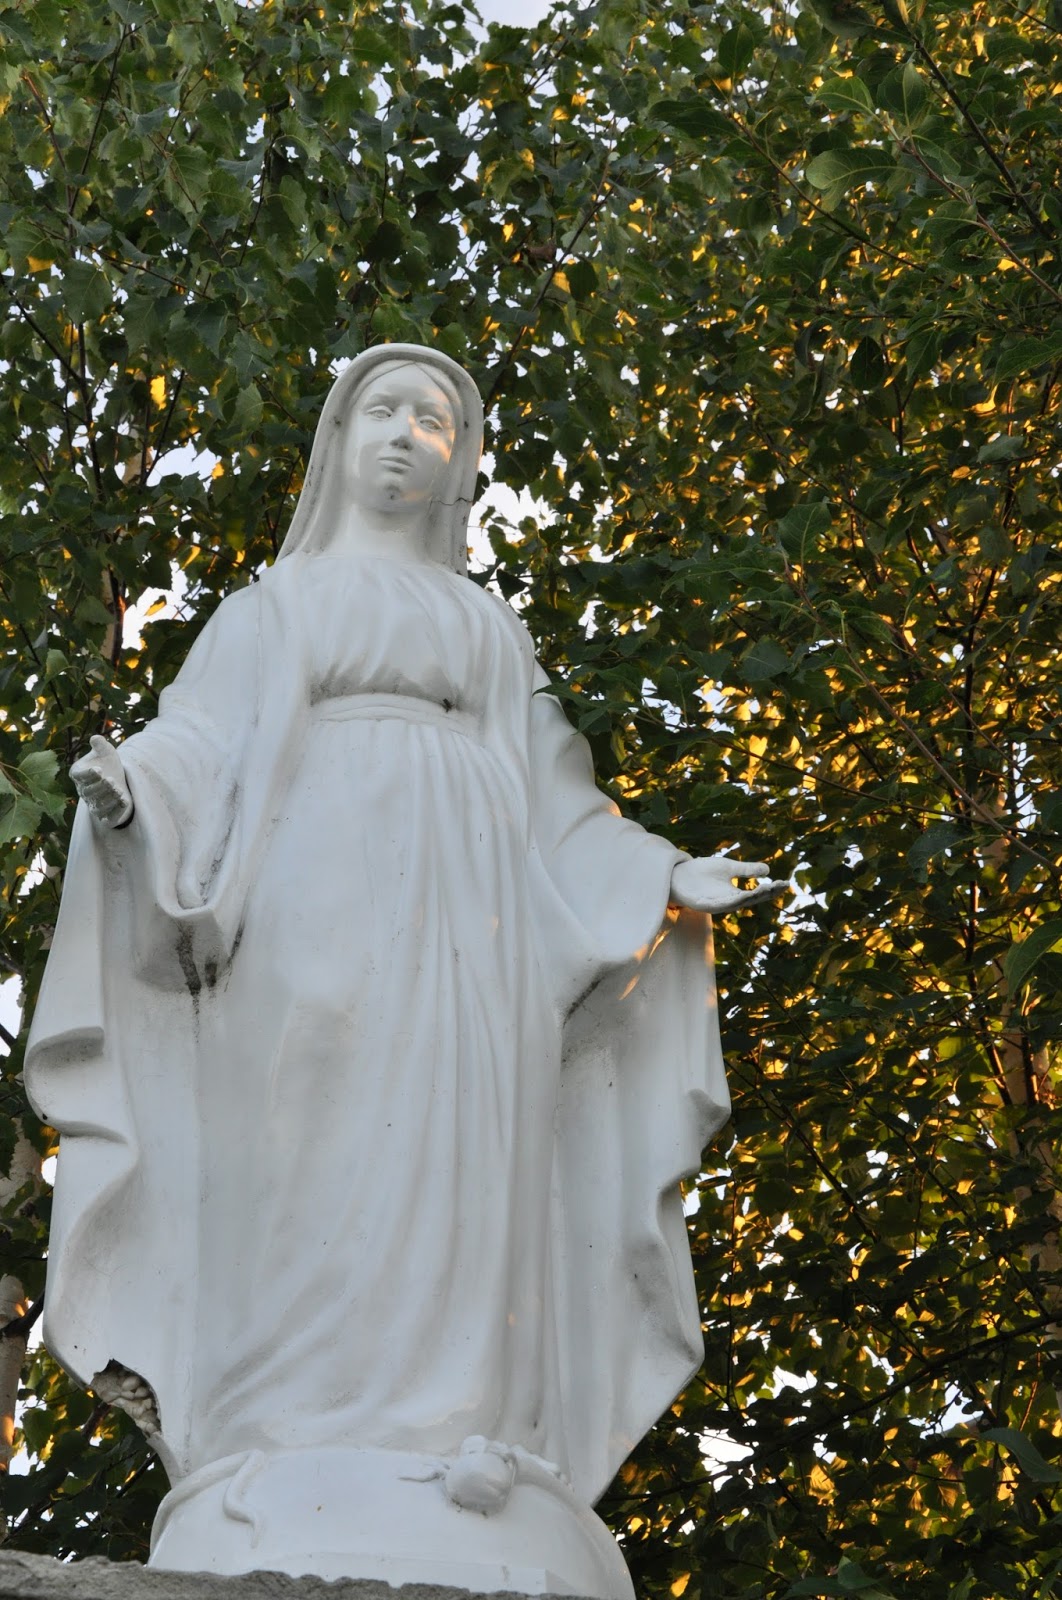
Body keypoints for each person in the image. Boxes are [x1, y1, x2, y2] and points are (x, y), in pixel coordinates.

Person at [27, 345, 779, 1595]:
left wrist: (660, 874)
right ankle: (282, 1430)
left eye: (431, 420)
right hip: (310, 892)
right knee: (308, 1137)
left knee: (471, 1151)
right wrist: (132, 793)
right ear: (337, 441)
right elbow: (197, 744)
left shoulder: (485, 627)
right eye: (379, 411)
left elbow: (559, 801)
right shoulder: (275, 607)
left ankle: (466, 1433)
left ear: (458, 461)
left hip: (477, 920)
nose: (401, 436)